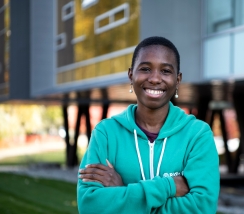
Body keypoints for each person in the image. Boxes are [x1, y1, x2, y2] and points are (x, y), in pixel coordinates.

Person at [77, 36, 219, 214]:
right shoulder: (106, 133)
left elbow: (202, 208)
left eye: (166, 71)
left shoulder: (197, 135)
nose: (154, 78)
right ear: (131, 75)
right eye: (145, 69)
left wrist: (123, 192)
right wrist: (169, 186)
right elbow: (90, 206)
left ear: (178, 79)